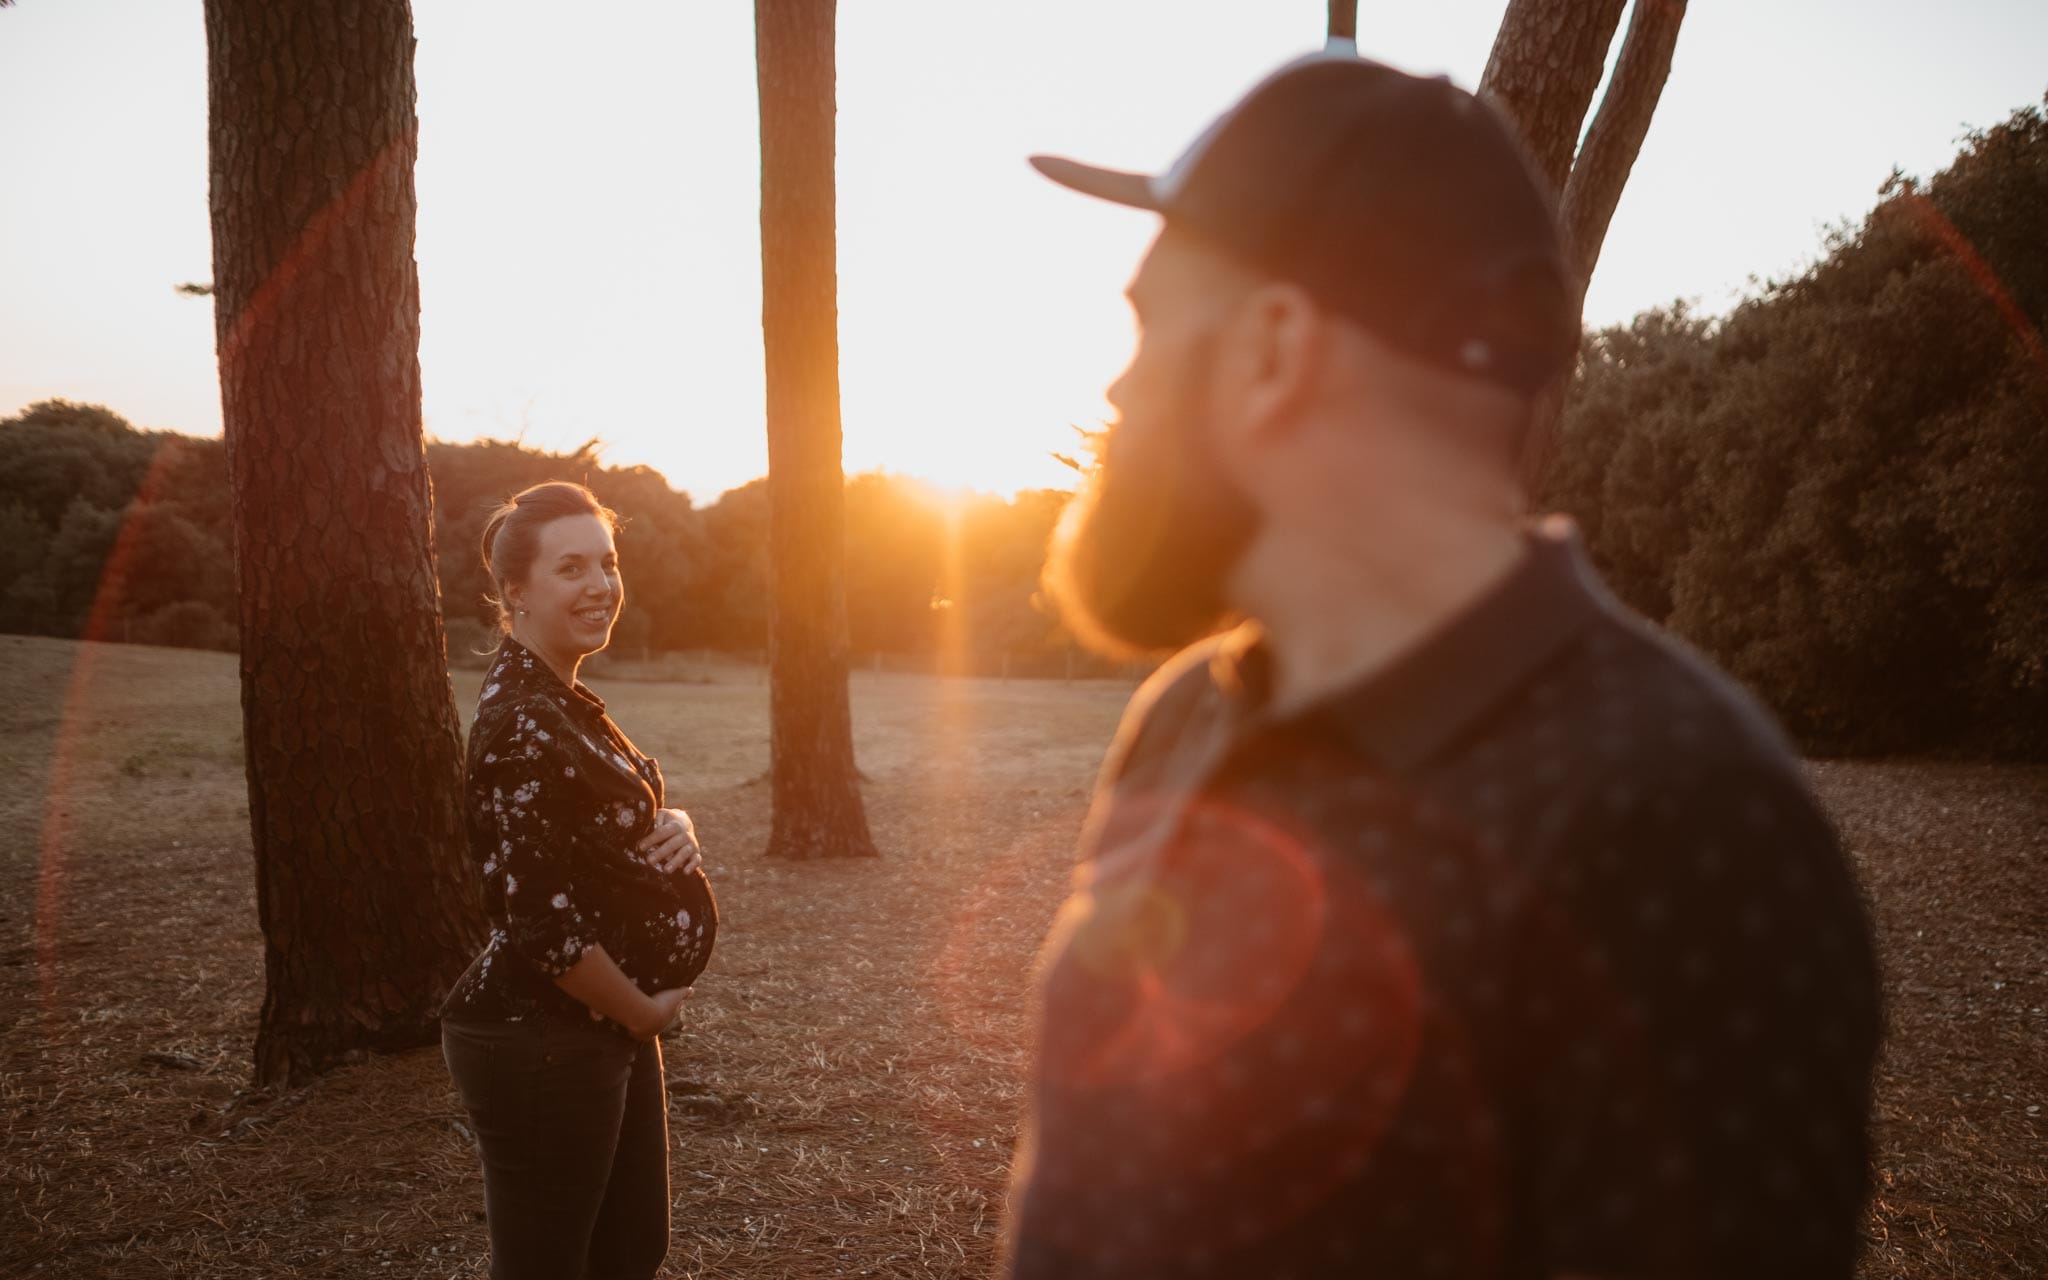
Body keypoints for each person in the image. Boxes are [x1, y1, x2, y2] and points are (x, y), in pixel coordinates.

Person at [1002, 46, 1882, 1280]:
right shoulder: (1188, 713)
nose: (1116, 377)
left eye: (1148, 323)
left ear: (1271, 351)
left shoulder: (1681, 822)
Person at [440, 480, 718, 1280]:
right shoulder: (521, 723)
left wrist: (677, 825)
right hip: (540, 1040)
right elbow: (541, 925)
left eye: (607, 563)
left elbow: (601, 827)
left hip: (598, 1025)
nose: (600, 586)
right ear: (515, 592)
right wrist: (642, 1015)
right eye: (571, 569)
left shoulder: (564, 700)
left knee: (628, 1251)